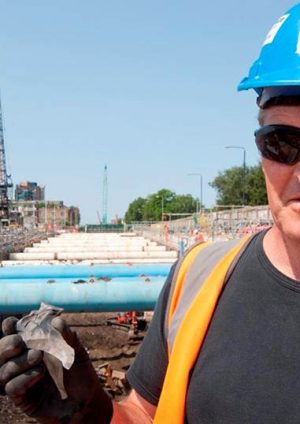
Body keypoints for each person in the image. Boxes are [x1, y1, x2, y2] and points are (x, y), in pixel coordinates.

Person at [2, 3, 300, 423]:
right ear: (260, 146)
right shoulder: (199, 279)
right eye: (283, 142)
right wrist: (92, 412)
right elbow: (145, 414)